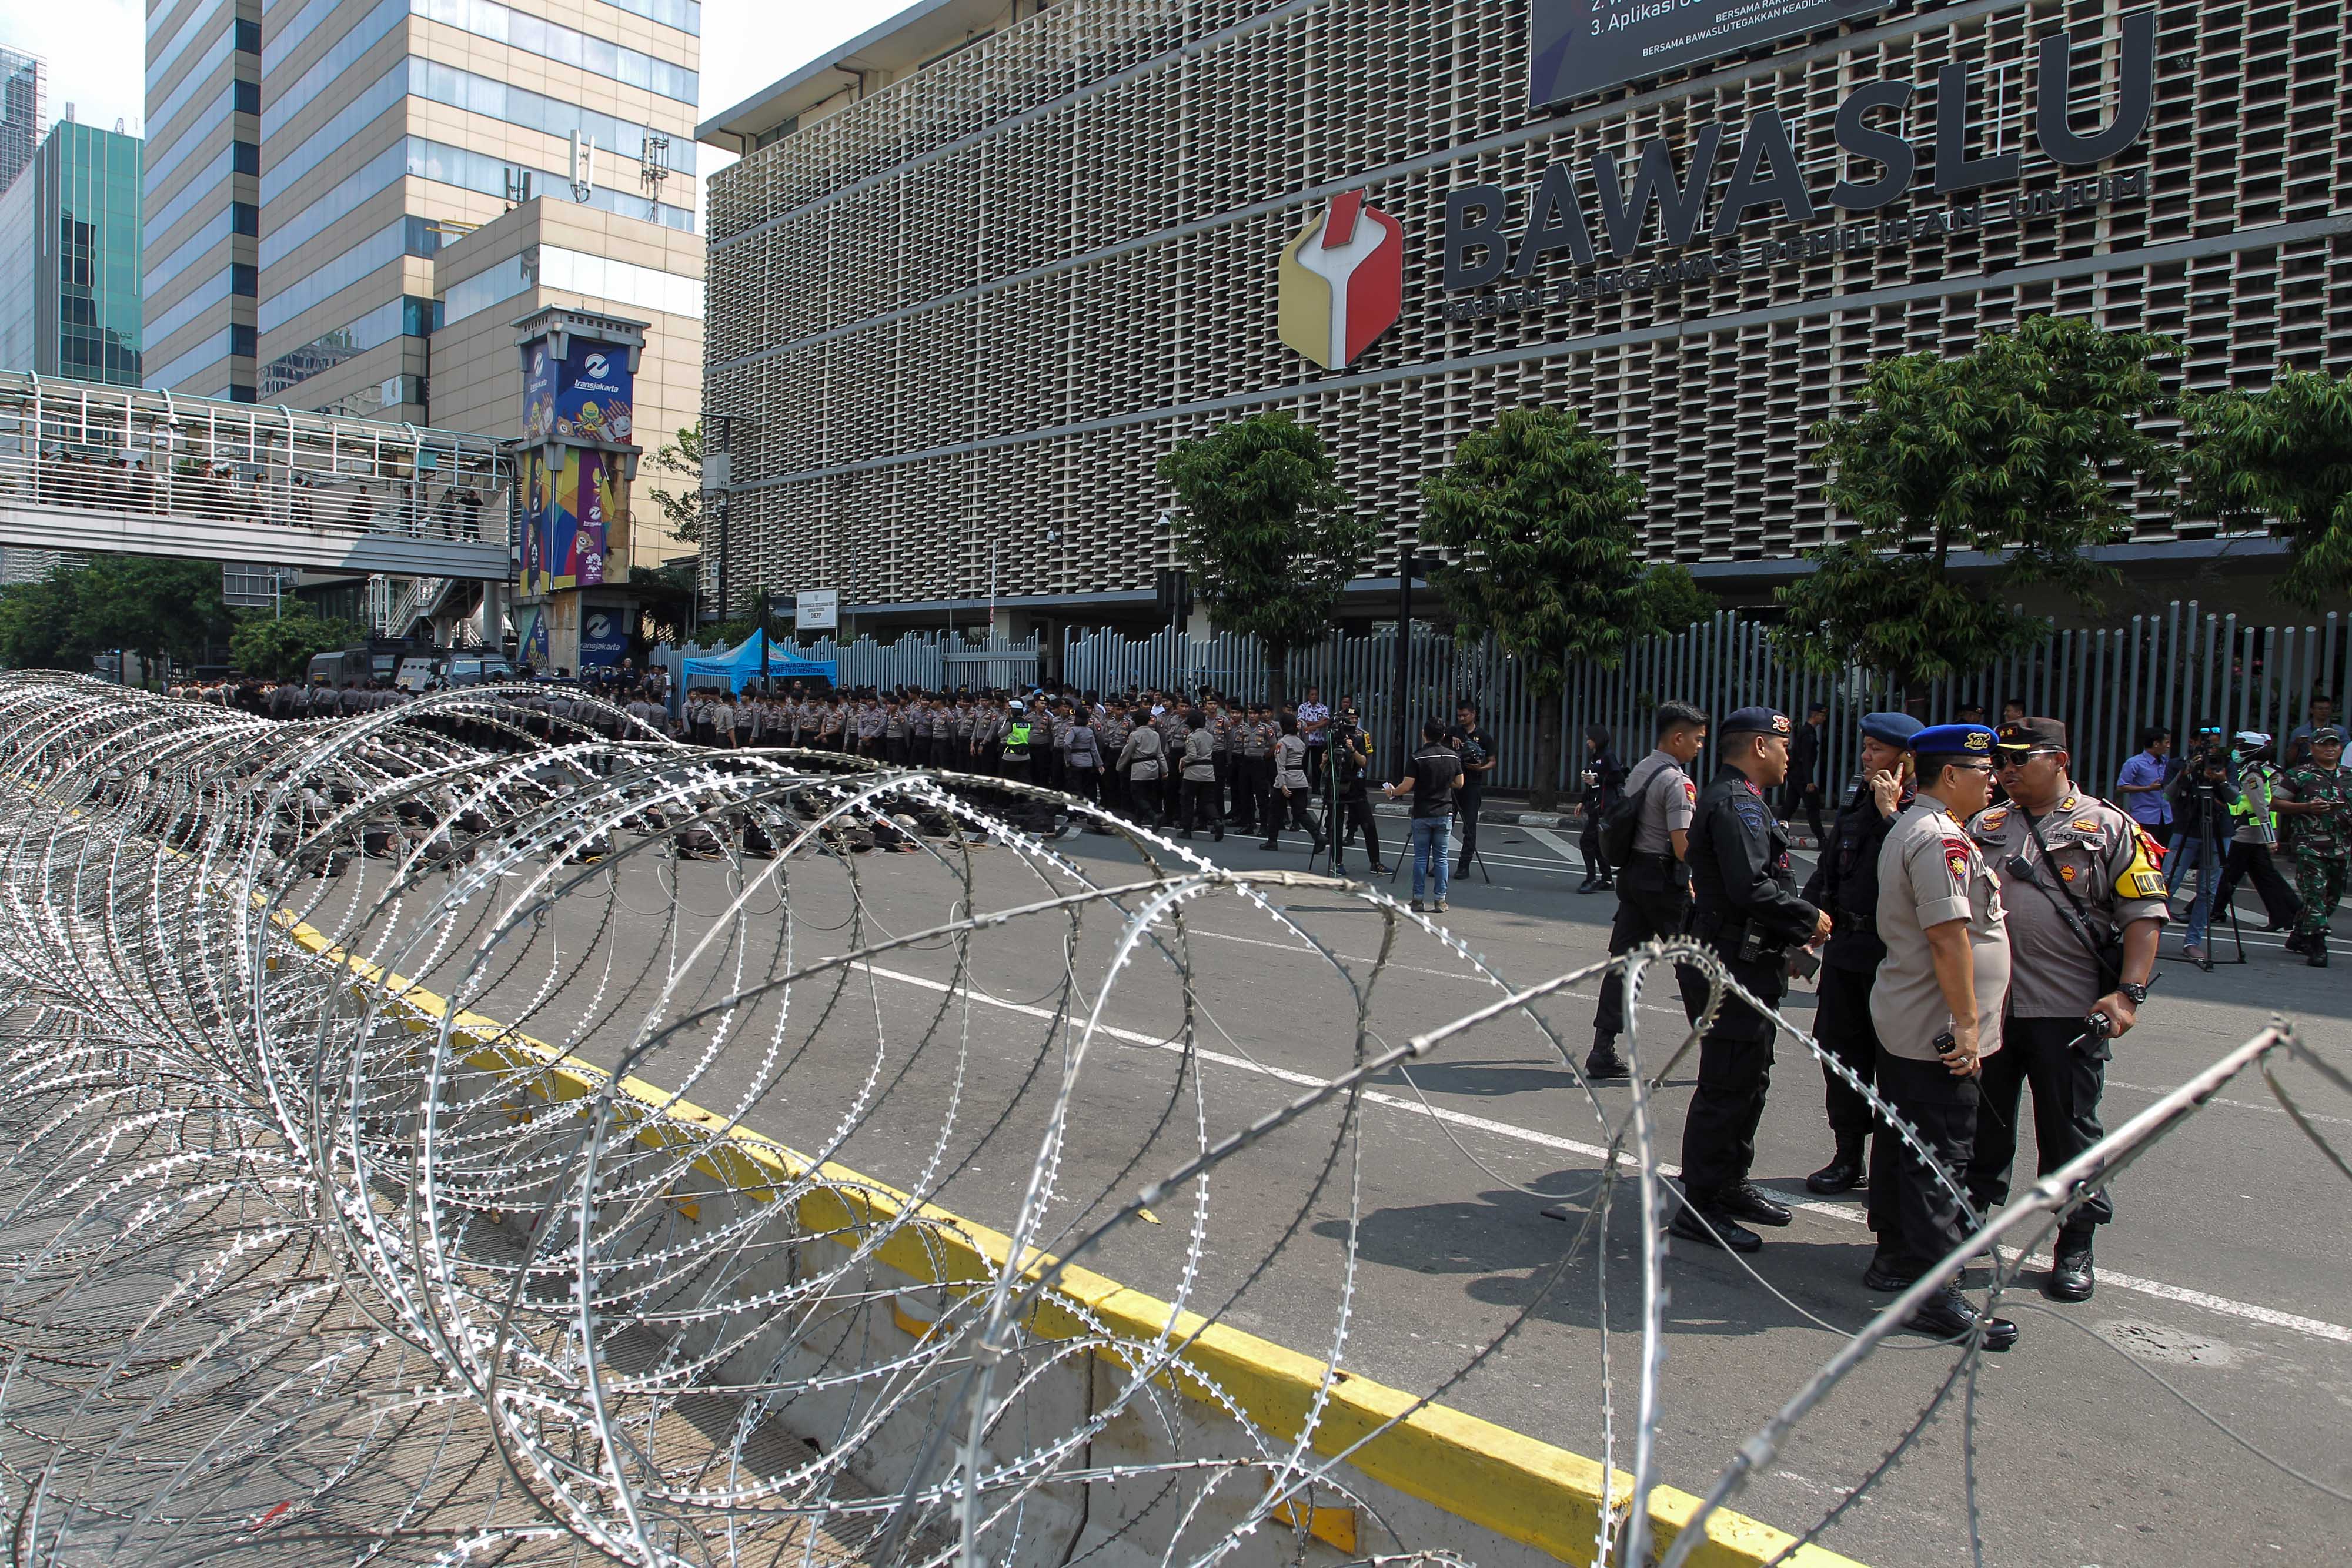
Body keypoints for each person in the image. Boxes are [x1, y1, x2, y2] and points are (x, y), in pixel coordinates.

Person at [1967, 717, 2166, 1301]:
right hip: (1992, 1009)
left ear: (2059, 760)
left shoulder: (2107, 827)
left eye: (2018, 761)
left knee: (2070, 1133)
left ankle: (2074, 1242)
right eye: (1999, 762)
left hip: (2068, 1013)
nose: (2004, 772)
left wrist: (2127, 995)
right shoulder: (1986, 824)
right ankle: (1968, 1223)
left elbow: (2143, 916)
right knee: (1980, 1126)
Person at [1867, 722, 2019, 1348]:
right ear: (1950, 776)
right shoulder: (1937, 840)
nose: (1994, 781)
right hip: (1937, 1025)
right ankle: (1934, 1291)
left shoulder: (1922, 827)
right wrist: (1966, 1022)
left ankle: (1900, 1260)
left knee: (1910, 1147)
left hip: (1912, 1018)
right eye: (1983, 771)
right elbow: (1947, 936)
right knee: (1941, 1156)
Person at [1670, 707, 1829, 1254]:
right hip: (1728, 962)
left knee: (1749, 1076)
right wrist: (1808, 919)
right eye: (1784, 747)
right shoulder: (1737, 801)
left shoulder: (1739, 797)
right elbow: (1750, 887)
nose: (1791, 757)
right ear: (1760, 746)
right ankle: (1701, 1205)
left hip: (1742, 959)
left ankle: (1730, 1181)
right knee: (1727, 1081)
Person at [1796, 710, 1922, 1195]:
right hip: (1847, 953)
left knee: (1893, 1061)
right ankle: (1849, 1154)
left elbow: (1919, 862)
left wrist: (1891, 812)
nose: (1867, 757)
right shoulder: (1856, 803)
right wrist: (1804, 928)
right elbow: (1828, 873)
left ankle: (1893, 1163)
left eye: (1878, 749)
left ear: (1907, 759)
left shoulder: (1920, 815)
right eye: (1866, 747)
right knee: (1841, 1056)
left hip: (1894, 959)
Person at [1586, 703, 1708, 1081]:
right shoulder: (1677, 781)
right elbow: (1683, 845)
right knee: (1693, 965)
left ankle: (1602, 1049)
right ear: (1677, 737)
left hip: (1634, 878)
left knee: (1624, 962)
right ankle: (1717, 1050)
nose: (1700, 746)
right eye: (1697, 739)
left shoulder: (1641, 768)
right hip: (1663, 883)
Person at [2211, 733, 2304, 935]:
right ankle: (2288, 914)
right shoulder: (2250, 771)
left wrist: (2270, 838)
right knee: (2264, 876)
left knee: (2234, 872)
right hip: (2250, 830)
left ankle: (2211, 909)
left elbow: (2261, 808)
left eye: (2240, 746)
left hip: (2251, 831)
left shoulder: (2253, 774)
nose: (2237, 750)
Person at [2273, 726, 2349, 968]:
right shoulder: (2299, 774)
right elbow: (2275, 803)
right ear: (2313, 748)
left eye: (2334, 745)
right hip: (2310, 846)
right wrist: (2306, 808)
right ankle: (2318, 946)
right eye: (2324, 744)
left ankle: (2298, 934)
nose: (2330, 749)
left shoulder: (2348, 775)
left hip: (2341, 847)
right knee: (2314, 894)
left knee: (2332, 898)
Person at [2166, 737, 2240, 968]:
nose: (2211, 750)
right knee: (2167, 883)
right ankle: (2150, 935)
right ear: (2192, 742)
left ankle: (2193, 942)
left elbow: (2235, 798)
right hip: (2186, 828)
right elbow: (2168, 795)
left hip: (2218, 829)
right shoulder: (2180, 763)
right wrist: (2186, 772)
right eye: (2206, 743)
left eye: (2216, 744)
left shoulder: (2225, 764)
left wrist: (2222, 780)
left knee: (2208, 890)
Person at [1384, 718, 1461, 912]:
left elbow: (1406, 786)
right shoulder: (1453, 757)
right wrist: (1443, 783)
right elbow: (1459, 783)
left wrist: (1393, 793)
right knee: (1441, 858)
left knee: (1420, 858)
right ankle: (1440, 900)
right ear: (1443, 736)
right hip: (1445, 812)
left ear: (1423, 734)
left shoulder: (1417, 757)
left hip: (1422, 813)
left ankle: (1418, 900)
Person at [1329, 712, 1389, 873]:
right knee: (1336, 827)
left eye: (1354, 721)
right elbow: (1325, 767)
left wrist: (1352, 749)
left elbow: (1364, 762)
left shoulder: (1359, 739)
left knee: (1369, 824)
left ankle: (1376, 863)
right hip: (1337, 787)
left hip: (1356, 787)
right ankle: (1337, 863)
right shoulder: (1331, 741)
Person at [1263, 713, 1325, 854]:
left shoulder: (1282, 743)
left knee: (1274, 811)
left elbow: (1281, 765)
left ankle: (1272, 841)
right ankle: (1318, 837)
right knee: (1301, 813)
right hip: (1300, 780)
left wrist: (1283, 785)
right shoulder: (1300, 742)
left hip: (1285, 781)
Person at [1576, 726, 1628, 894]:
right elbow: (1593, 784)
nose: (1587, 741)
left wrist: (1597, 777)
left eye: (1589, 738)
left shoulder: (1608, 756)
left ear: (1597, 739)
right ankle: (1606, 879)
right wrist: (1582, 802)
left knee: (1587, 842)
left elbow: (1619, 776)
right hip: (1594, 805)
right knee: (1597, 844)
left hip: (1605, 807)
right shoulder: (1596, 757)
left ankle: (1591, 879)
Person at [1451, 701, 1496, 879]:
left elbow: (1492, 761)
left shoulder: (1484, 736)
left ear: (1473, 714)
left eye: (1465, 715)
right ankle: (1439, 863)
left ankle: (1464, 865)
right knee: (1445, 825)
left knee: (1469, 827)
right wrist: (1449, 739)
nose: (1462, 719)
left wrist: (1479, 768)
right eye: (1459, 715)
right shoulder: (1453, 731)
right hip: (1453, 784)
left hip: (1472, 785)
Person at [1177, 712, 1223, 840]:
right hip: (1208, 773)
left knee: (1187, 801)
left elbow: (1192, 756)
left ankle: (1186, 830)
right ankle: (1216, 821)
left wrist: (1183, 760)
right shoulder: (1209, 736)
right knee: (1208, 801)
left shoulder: (1192, 737)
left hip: (1193, 773)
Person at [1115, 713, 1165, 829]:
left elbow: (1127, 752)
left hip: (1139, 767)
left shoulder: (1135, 735)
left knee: (1137, 795)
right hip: (1153, 767)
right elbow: (1160, 754)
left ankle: (1153, 816)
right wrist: (1165, 770)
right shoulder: (1155, 734)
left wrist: (1119, 767)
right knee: (1147, 795)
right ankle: (1138, 820)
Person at [1787, 701, 1828, 844]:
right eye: (1822, 715)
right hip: (1802, 777)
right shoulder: (1808, 734)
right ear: (1815, 715)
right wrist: (1809, 781)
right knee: (1813, 807)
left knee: (1789, 807)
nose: (1824, 718)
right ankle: (1822, 840)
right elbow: (1806, 759)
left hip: (1795, 775)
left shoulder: (1806, 731)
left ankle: (1777, 834)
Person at [2285, 694, 2337, 767]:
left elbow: (2346, 754)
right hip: (2305, 771)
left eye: (2327, 709)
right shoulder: (2299, 732)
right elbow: (2290, 759)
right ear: (2312, 710)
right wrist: (2295, 745)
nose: (2324, 711)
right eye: (2320, 709)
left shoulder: (2340, 731)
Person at [1297, 688, 1331, 790]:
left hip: (1318, 741)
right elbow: (1301, 721)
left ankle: (1316, 788)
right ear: (1308, 696)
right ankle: (1301, 786)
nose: (1314, 696)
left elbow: (1326, 722)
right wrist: (1318, 724)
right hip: (1305, 741)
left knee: (1317, 766)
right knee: (1303, 764)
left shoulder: (1323, 708)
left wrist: (1312, 727)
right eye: (1312, 694)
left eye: (1316, 695)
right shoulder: (1303, 707)